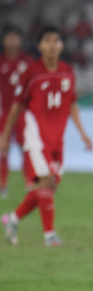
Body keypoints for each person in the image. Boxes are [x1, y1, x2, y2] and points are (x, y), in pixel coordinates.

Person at [1, 26, 93, 246]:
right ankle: (49, 235)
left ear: (62, 45)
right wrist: (5, 135)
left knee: (49, 188)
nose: (52, 45)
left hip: (57, 139)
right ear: (40, 46)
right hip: (37, 137)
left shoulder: (67, 71)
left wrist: (82, 133)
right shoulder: (32, 72)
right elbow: (17, 105)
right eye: (48, 41)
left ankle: (13, 219)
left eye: (56, 41)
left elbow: (72, 103)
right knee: (47, 181)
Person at [0, 24, 33, 199]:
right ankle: (2, 184)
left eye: (16, 37)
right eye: (9, 37)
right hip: (4, 113)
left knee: (25, 148)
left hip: (23, 113)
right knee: (3, 148)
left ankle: (29, 182)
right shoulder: (1, 62)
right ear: (4, 40)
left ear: (20, 40)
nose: (13, 41)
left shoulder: (28, 62)